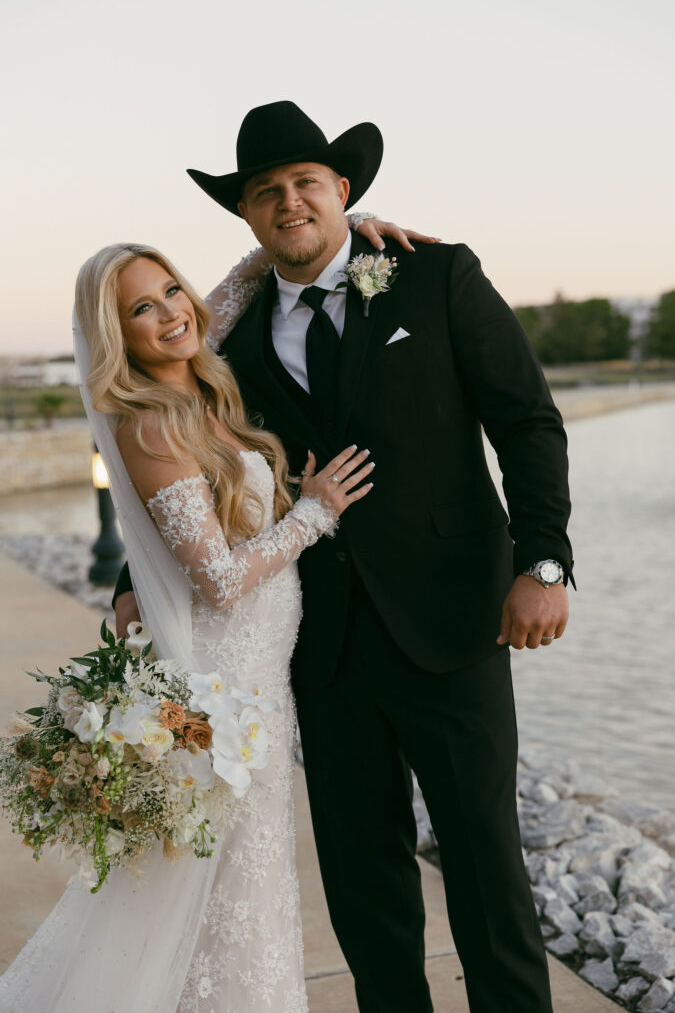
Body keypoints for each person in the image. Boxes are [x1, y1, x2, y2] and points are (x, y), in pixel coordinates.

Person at [114, 101, 574, 1013]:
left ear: (343, 191)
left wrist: (545, 562)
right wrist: (137, 581)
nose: (289, 203)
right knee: (365, 890)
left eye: (305, 184)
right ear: (246, 216)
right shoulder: (224, 345)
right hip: (315, 651)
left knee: (486, 868)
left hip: (453, 623)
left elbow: (526, 420)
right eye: (265, 193)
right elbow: (187, 476)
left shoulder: (434, 274)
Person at [0, 211, 421, 1013]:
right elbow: (219, 582)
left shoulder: (193, 375)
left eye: (169, 290)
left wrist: (339, 222)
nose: (170, 313)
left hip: (259, 676)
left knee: (237, 879)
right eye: (141, 309)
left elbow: (236, 281)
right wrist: (315, 511)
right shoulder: (154, 421)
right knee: (217, 881)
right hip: (224, 685)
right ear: (115, 333)